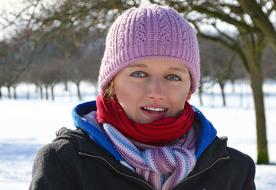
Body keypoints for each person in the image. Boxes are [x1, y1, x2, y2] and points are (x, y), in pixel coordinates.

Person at [29, 4, 255, 190]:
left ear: (189, 87)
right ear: (111, 83)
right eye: (139, 74)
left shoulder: (234, 169)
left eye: (173, 77)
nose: (156, 91)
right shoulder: (64, 162)